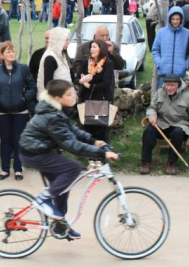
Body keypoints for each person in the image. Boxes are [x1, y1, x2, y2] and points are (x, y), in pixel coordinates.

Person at [19, 80, 119, 234]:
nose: (74, 97)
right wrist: (102, 153)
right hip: (34, 153)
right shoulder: (52, 116)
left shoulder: (57, 110)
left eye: (74, 93)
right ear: (58, 98)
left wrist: (94, 141)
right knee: (74, 168)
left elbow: (73, 131)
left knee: (63, 186)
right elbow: (71, 145)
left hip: (42, 151)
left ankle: (60, 225)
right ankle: (43, 199)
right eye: (69, 95)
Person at [0, 41, 37, 181]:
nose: (11, 53)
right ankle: (4, 169)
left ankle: (18, 169)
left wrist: (23, 99)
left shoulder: (23, 69)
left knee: (18, 140)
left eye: (12, 51)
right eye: (8, 51)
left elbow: (32, 87)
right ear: (2, 55)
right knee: (5, 140)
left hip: (20, 111)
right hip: (1, 112)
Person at [140, 74, 189, 175]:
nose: (169, 88)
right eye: (167, 85)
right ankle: (146, 162)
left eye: (172, 85)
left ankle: (171, 163)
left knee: (177, 133)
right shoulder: (160, 92)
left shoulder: (188, 97)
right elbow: (152, 107)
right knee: (148, 131)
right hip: (162, 124)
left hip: (180, 125)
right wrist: (152, 115)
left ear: (178, 85)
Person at [77, 39, 115, 142]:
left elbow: (106, 84)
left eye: (94, 47)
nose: (91, 49)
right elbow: (77, 78)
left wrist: (89, 86)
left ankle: (102, 152)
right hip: (86, 99)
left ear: (101, 49)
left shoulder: (108, 63)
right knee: (87, 126)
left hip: (101, 99)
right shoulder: (86, 62)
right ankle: (88, 151)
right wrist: (82, 81)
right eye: (91, 47)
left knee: (101, 127)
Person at [152, 7, 189, 87]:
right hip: (164, 74)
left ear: (181, 19)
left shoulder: (187, 33)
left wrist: (186, 64)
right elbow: (155, 50)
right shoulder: (161, 32)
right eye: (173, 19)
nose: (175, 21)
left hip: (179, 74)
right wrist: (159, 63)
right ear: (169, 19)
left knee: (178, 98)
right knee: (162, 98)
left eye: (177, 19)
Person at [37, 28, 72, 97]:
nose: (69, 42)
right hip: (55, 100)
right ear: (59, 41)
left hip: (63, 97)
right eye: (66, 40)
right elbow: (48, 85)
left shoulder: (61, 54)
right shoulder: (50, 57)